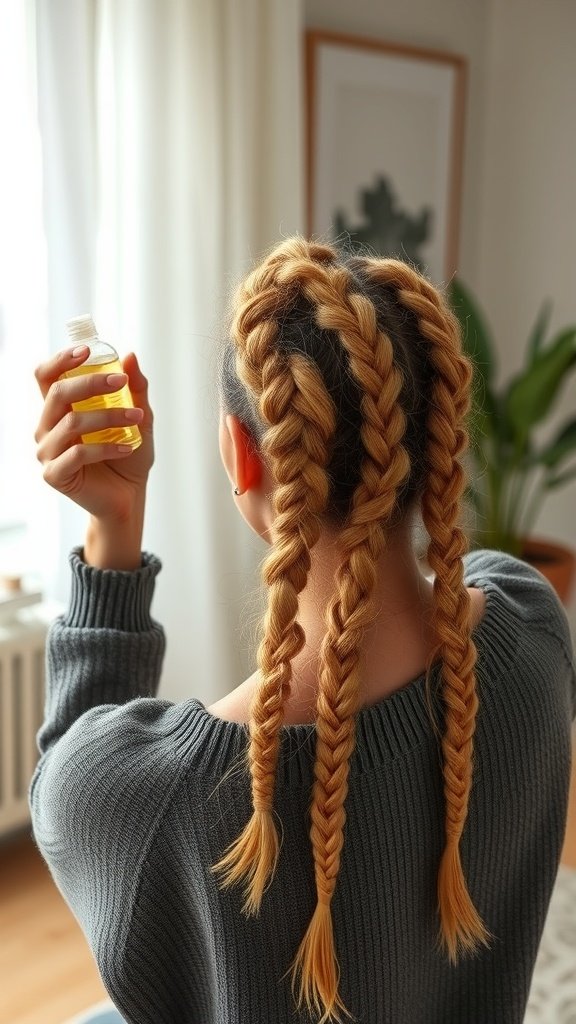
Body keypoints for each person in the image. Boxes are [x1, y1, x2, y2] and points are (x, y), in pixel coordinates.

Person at [30, 237, 575, 1024]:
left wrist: (112, 530)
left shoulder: (165, 799)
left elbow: (66, 784)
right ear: (434, 442)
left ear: (240, 455)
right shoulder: (534, 631)